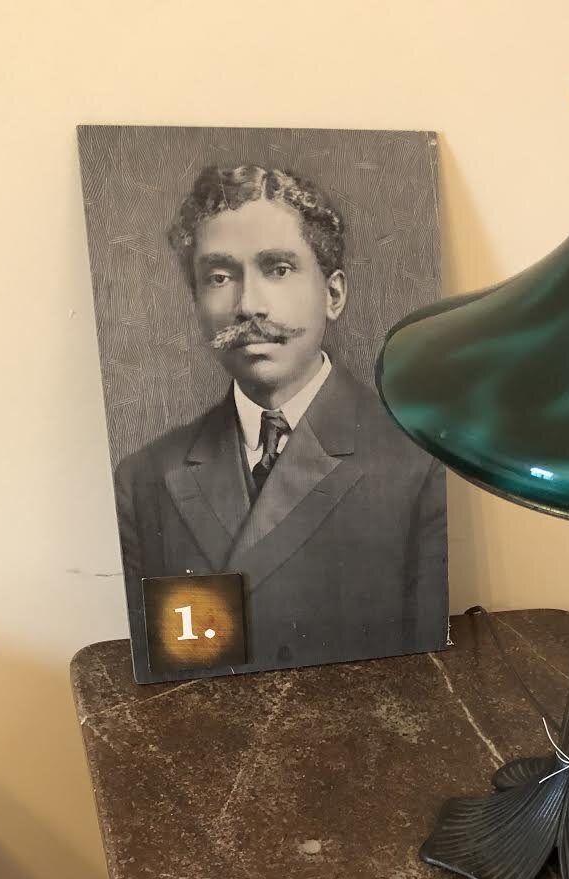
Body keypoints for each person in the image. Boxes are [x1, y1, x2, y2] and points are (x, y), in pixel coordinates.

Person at [114, 164, 447, 682]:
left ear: (333, 295)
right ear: (196, 301)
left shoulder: (417, 461)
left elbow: (425, 674)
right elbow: (172, 675)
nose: (249, 305)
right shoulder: (146, 477)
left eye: (279, 268)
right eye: (219, 277)